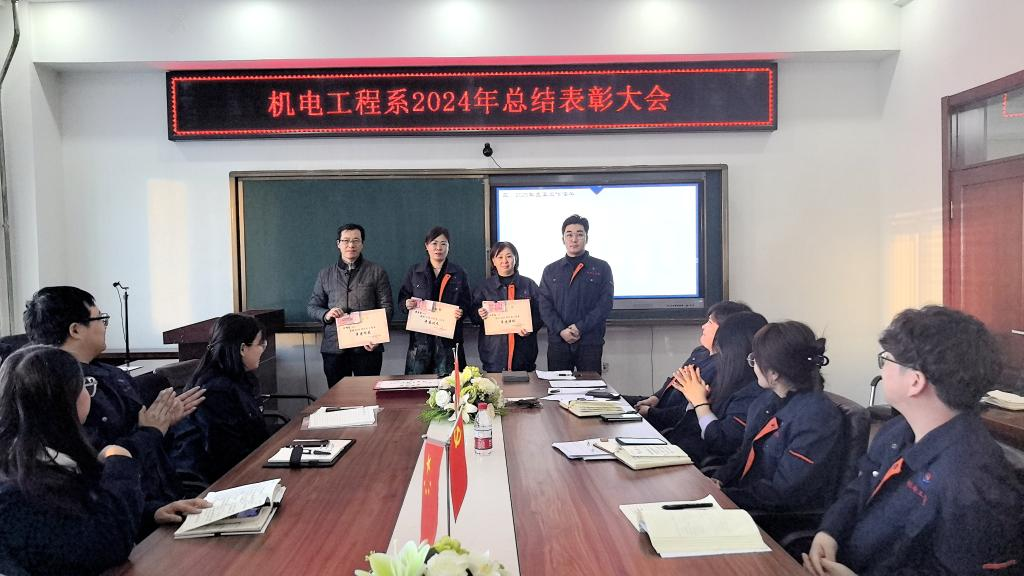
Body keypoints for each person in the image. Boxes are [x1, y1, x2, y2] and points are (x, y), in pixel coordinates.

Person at [803, 307, 1024, 576]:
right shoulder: (897, 431)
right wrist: (829, 532)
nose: (883, 369)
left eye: (887, 360)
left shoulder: (972, 480)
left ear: (915, 382)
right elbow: (860, 488)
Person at [0, 346, 209, 575]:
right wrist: (119, 462)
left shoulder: (53, 450)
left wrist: (151, 514)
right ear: (65, 401)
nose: (89, 394)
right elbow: (108, 544)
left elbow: (87, 515)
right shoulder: (15, 492)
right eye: (85, 386)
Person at [23, 286, 204, 537]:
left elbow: (142, 435)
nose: (105, 325)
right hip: (123, 522)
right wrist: (151, 432)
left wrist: (164, 424)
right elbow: (99, 463)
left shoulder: (110, 374)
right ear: (75, 330)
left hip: (157, 505)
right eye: (100, 318)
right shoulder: (54, 392)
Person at [714, 321, 843, 512]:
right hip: (744, 502)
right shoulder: (765, 401)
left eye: (755, 359)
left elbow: (784, 492)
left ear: (774, 374)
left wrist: (726, 495)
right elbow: (744, 453)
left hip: (771, 517)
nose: (753, 365)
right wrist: (718, 479)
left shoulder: (817, 418)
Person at [171, 314, 271, 485]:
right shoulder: (216, 391)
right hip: (224, 480)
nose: (263, 349)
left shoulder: (239, 377)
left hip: (248, 464)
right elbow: (227, 455)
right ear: (242, 349)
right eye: (260, 344)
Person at [630, 301, 753, 430]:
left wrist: (650, 413)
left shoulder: (725, 368)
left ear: (725, 331)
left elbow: (687, 410)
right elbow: (675, 379)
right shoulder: (700, 352)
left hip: (672, 424)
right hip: (659, 406)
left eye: (710, 322)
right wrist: (655, 398)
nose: (703, 326)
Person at [664, 311, 768, 464]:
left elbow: (721, 442)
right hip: (680, 451)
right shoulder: (727, 379)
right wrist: (693, 401)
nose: (716, 356)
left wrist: (699, 402)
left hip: (699, 465)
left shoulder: (752, 392)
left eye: (720, 350)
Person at [308, 223, 394, 387]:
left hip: (367, 346)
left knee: (368, 395)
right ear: (338, 244)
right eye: (346, 240)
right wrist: (326, 314)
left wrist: (378, 337)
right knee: (337, 397)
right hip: (334, 347)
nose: (351, 245)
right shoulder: (325, 274)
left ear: (362, 244)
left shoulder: (377, 271)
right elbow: (313, 307)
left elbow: (387, 307)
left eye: (356, 240)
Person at [537, 214, 614, 373]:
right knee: (558, 386)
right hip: (559, 342)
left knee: (591, 386)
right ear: (563, 239)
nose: (574, 239)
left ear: (587, 238)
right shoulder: (551, 270)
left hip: (590, 341)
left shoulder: (602, 268)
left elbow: (605, 304)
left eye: (579, 234)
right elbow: (544, 305)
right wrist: (561, 330)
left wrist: (580, 327)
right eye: (569, 235)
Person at [399, 226, 472, 376]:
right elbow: (402, 298)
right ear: (426, 246)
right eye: (434, 243)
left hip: (449, 341)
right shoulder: (415, 272)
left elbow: (467, 302)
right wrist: (406, 303)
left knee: (449, 384)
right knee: (418, 384)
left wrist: (462, 311)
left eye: (443, 244)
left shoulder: (459, 273)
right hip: (420, 342)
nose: (439, 248)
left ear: (449, 247)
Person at [472, 241, 544, 373]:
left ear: (515, 258)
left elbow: (541, 313)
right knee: (496, 385)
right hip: (494, 352)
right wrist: (479, 313)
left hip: (524, 351)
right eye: (499, 257)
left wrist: (530, 327)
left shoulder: (529, 285)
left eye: (509, 256)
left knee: (524, 385)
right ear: (493, 261)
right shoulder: (484, 287)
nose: (504, 261)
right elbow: (473, 316)